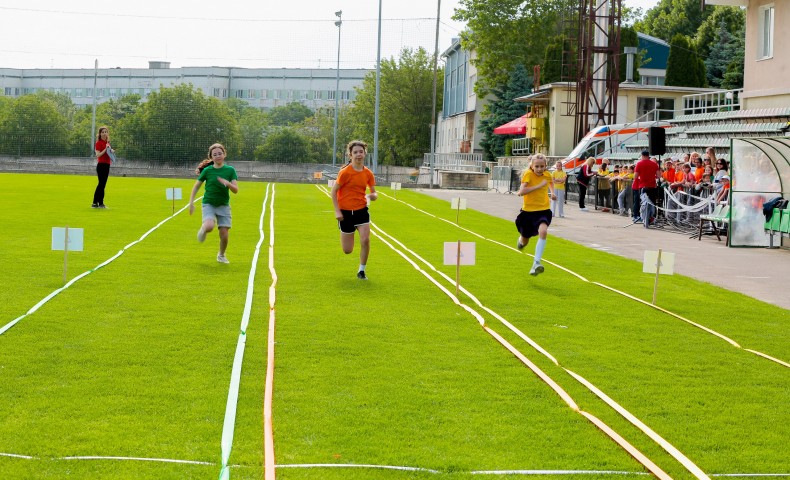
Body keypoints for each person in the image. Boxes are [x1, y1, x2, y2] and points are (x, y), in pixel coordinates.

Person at [331, 140, 378, 280]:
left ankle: (361, 271)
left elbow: (374, 192)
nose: (358, 154)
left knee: (365, 240)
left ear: (365, 154)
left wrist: (373, 195)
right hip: (345, 213)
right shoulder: (345, 172)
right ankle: (345, 232)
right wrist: (337, 211)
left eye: (361, 152)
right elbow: (333, 192)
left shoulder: (368, 173)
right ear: (350, 155)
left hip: (361, 211)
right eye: (355, 152)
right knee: (347, 250)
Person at [189, 143, 239, 264]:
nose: (218, 156)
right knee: (210, 226)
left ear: (224, 154)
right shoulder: (207, 171)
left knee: (224, 235)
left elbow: (235, 190)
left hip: (224, 205)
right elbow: (196, 187)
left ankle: (221, 255)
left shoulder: (230, 170)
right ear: (211, 157)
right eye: (215, 154)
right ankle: (203, 229)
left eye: (220, 153)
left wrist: (227, 183)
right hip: (209, 204)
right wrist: (191, 202)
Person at [515, 154, 557, 276]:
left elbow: (550, 182)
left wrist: (552, 193)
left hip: (543, 210)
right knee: (525, 240)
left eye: (542, 166)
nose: (539, 169)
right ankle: (521, 241)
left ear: (545, 166)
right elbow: (521, 192)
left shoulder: (547, 175)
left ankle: (536, 263)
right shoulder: (528, 175)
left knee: (543, 232)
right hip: (528, 213)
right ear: (532, 166)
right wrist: (538, 186)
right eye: (537, 166)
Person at [632, 149, 661, 224]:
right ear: (648, 156)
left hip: (643, 186)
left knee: (643, 202)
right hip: (652, 186)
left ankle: (643, 217)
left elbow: (635, 176)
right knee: (652, 202)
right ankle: (652, 217)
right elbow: (658, 176)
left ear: (642, 156)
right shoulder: (654, 164)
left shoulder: (639, 164)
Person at [92, 126, 114, 208]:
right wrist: (105, 149)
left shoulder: (108, 143)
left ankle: (101, 203)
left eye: (106, 132)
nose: (105, 133)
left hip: (107, 165)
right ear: (100, 134)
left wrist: (111, 151)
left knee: (103, 185)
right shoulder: (98, 143)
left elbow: (109, 154)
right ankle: (95, 202)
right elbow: (98, 155)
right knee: (101, 184)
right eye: (103, 132)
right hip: (101, 165)